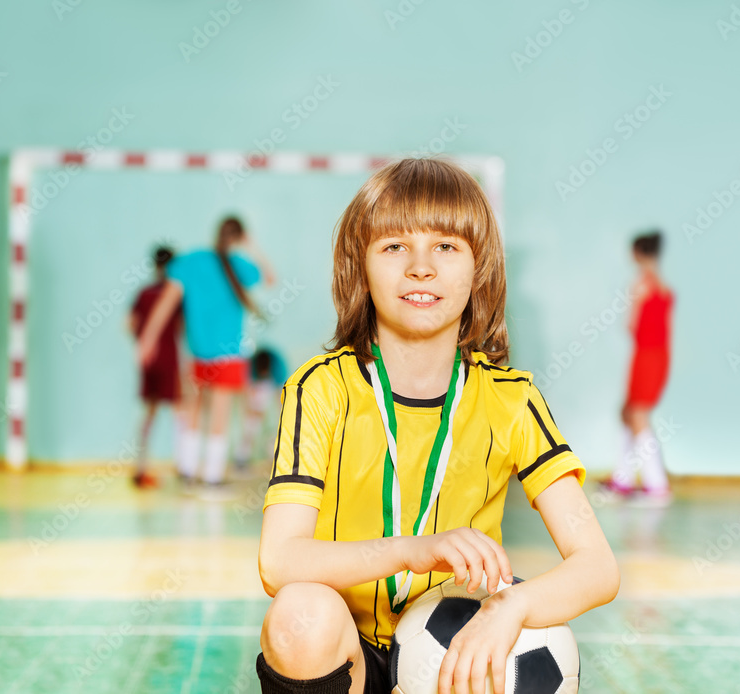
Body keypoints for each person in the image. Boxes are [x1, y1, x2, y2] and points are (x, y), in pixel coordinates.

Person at [256, 159, 619, 694]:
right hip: (349, 655)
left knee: (517, 636)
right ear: (360, 267)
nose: (420, 267)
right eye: (394, 246)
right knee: (300, 615)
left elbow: (598, 569)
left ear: (480, 269)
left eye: (446, 246)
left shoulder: (510, 400)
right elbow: (279, 561)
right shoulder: (321, 388)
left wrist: (510, 607)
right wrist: (414, 549)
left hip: (449, 656)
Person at [138, 217, 274, 486]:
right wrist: (253, 246)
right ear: (238, 238)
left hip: (197, 352)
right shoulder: (239, 264)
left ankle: (187, 470)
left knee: (193, 410)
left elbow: (166, 304)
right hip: (229, 354)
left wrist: (148, 339)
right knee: (220, 415)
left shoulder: (188, 262)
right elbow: (270, 278)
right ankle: (212, 476)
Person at [602, 230, 674, 504]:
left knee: (638, 416)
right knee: (628, 413)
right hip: (656, 356)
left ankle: (657, 486)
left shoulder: (641, 285)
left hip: (647, 356)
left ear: (638, 253)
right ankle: (624, 479)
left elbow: (630, 325)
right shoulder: (662, 285)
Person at [127, 246, 184, 488]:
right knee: (182, 411)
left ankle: (141, 467)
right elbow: (181, 326)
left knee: (149, 413)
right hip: (169, 359)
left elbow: (130, 323)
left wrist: (143, 344)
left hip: (148, 362)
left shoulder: (144, 293)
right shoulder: (177, 294)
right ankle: (185, 468)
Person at [233, 346, 288, 473]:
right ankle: (241, 459)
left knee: (278, 427)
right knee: (251, 425)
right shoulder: (251, 368)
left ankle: (275, 460)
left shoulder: (278, 368)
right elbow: (245, 391)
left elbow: (281, 395)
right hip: (256, 394)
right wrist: (249, 410)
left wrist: (283, 417)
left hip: (272, 389)